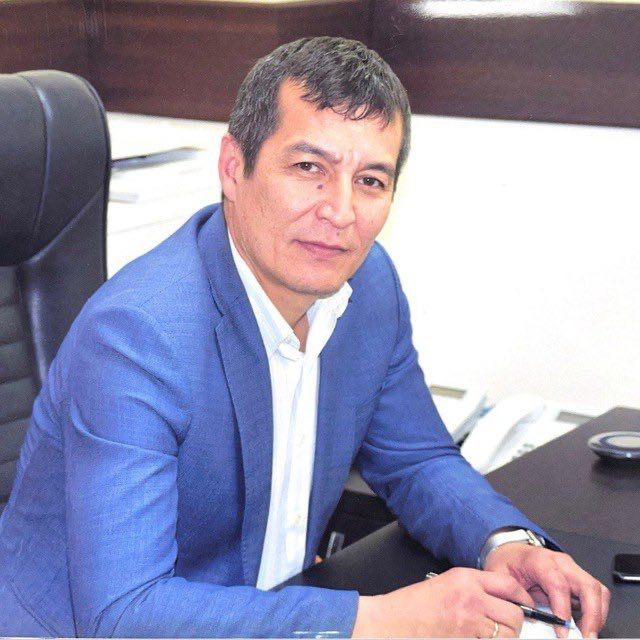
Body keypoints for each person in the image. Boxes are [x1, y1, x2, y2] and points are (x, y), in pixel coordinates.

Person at [0, 37, 608, 638]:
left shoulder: (367, 287)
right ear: (234, 168)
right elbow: (124, 614)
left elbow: (416, 460)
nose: (340, 212)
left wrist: (503, 542)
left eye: (370, 180)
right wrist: (380, 620)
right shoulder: (138, 337)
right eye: (309, 168)